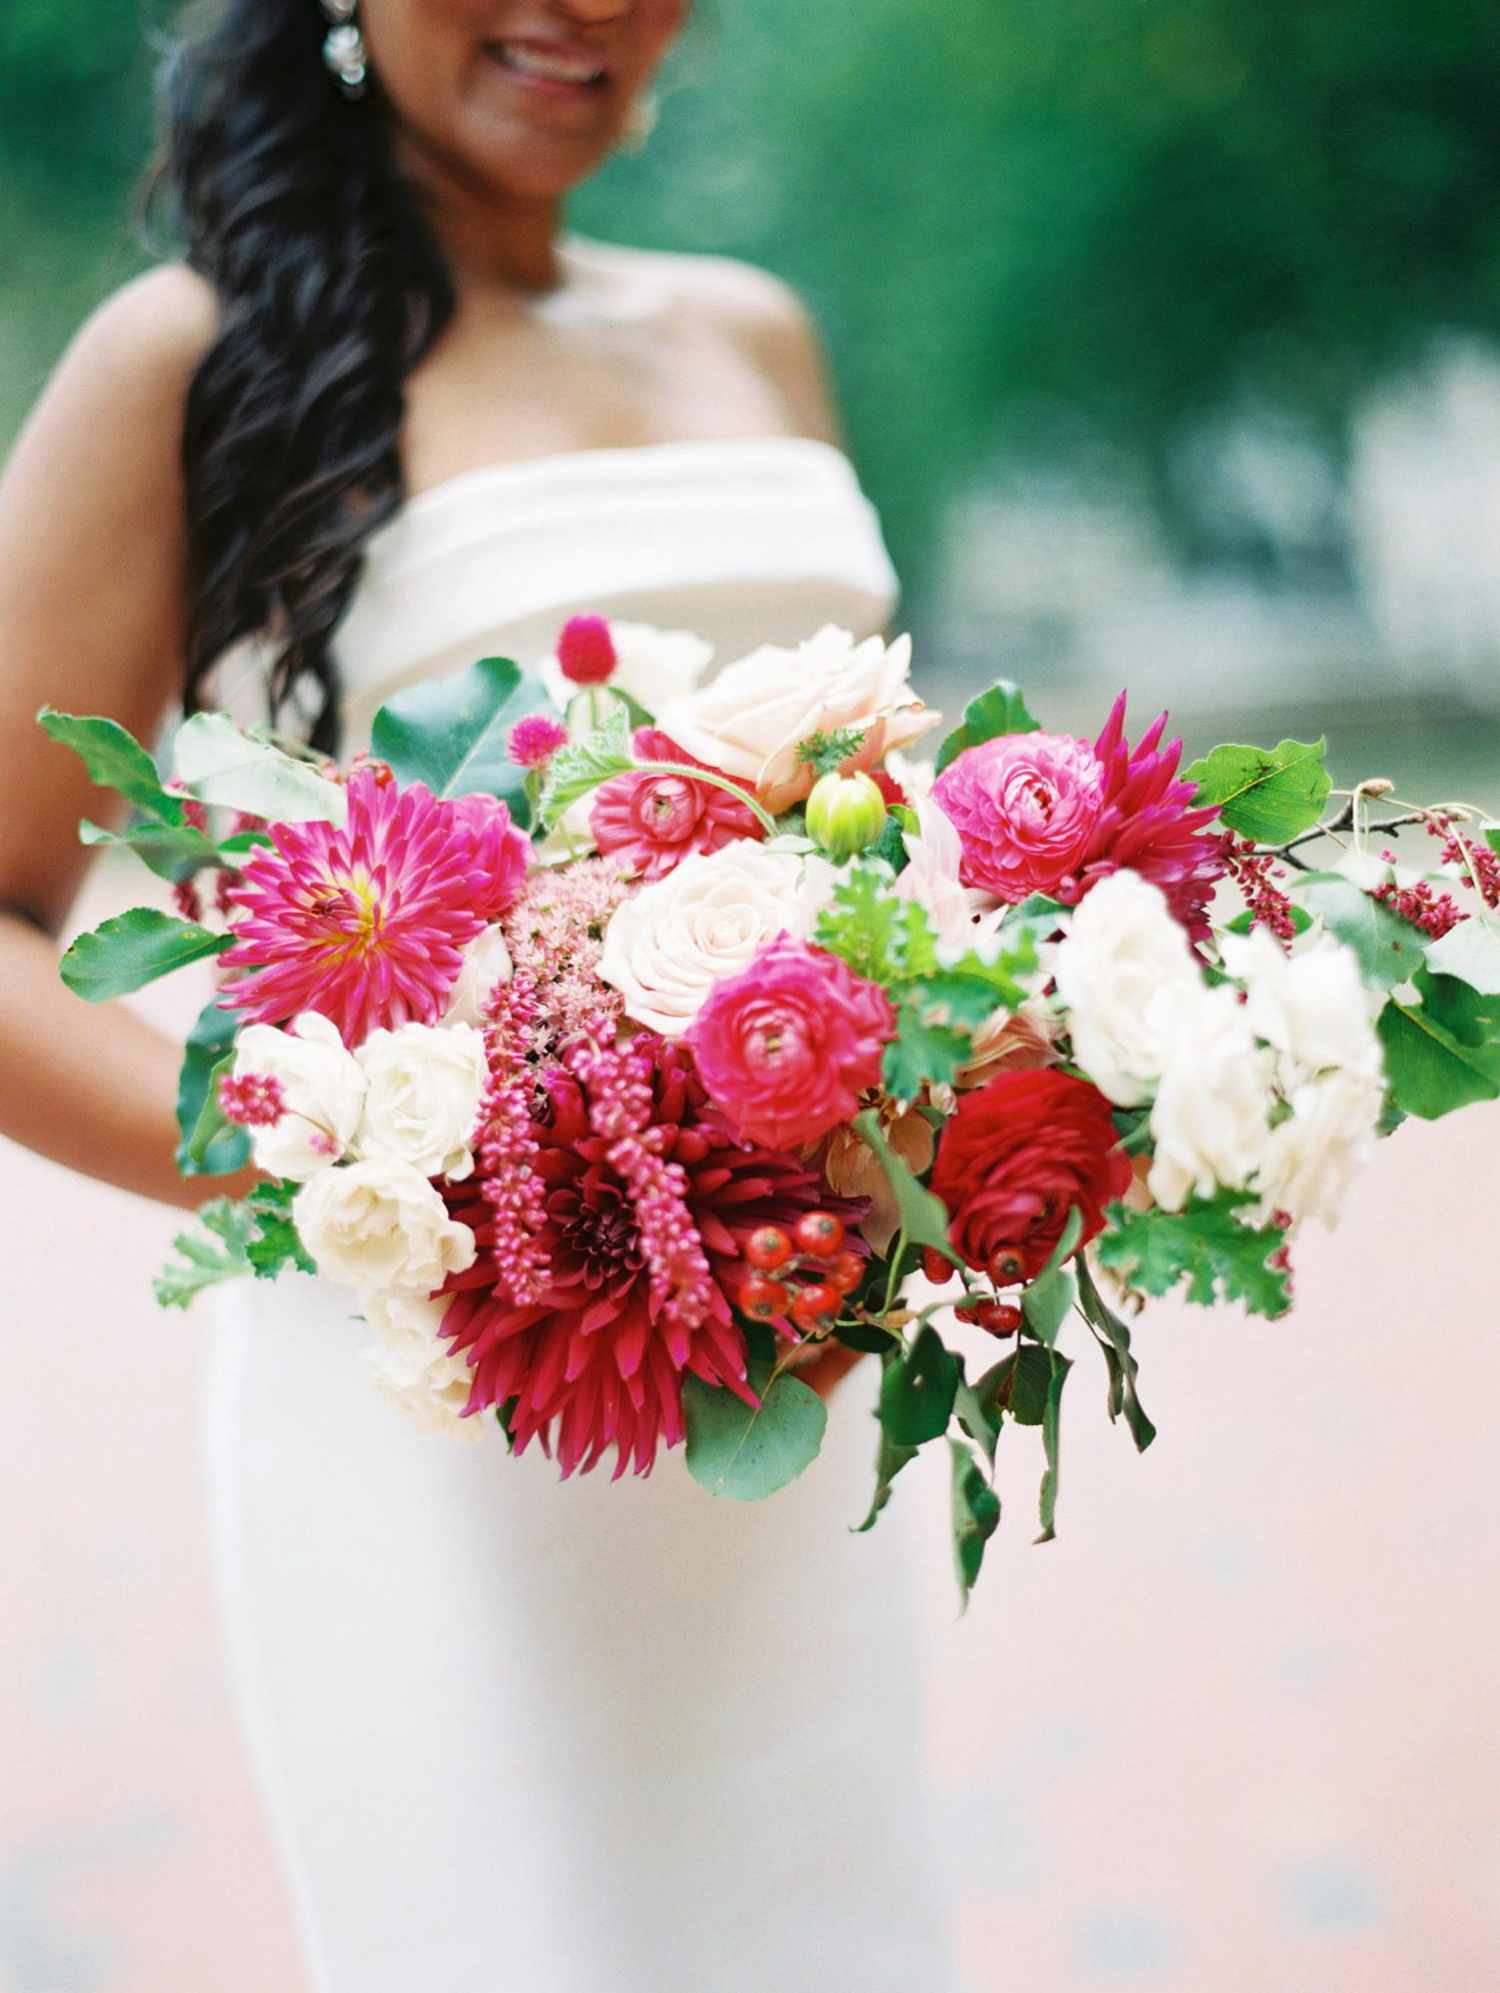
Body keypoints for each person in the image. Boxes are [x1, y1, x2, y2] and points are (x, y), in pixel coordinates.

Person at [0, 3, 956, 1987]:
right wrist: (391, 1197)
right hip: (431, 1412)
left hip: (796, 1392)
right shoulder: (187, 360)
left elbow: (878, 853)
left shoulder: (755, 330)